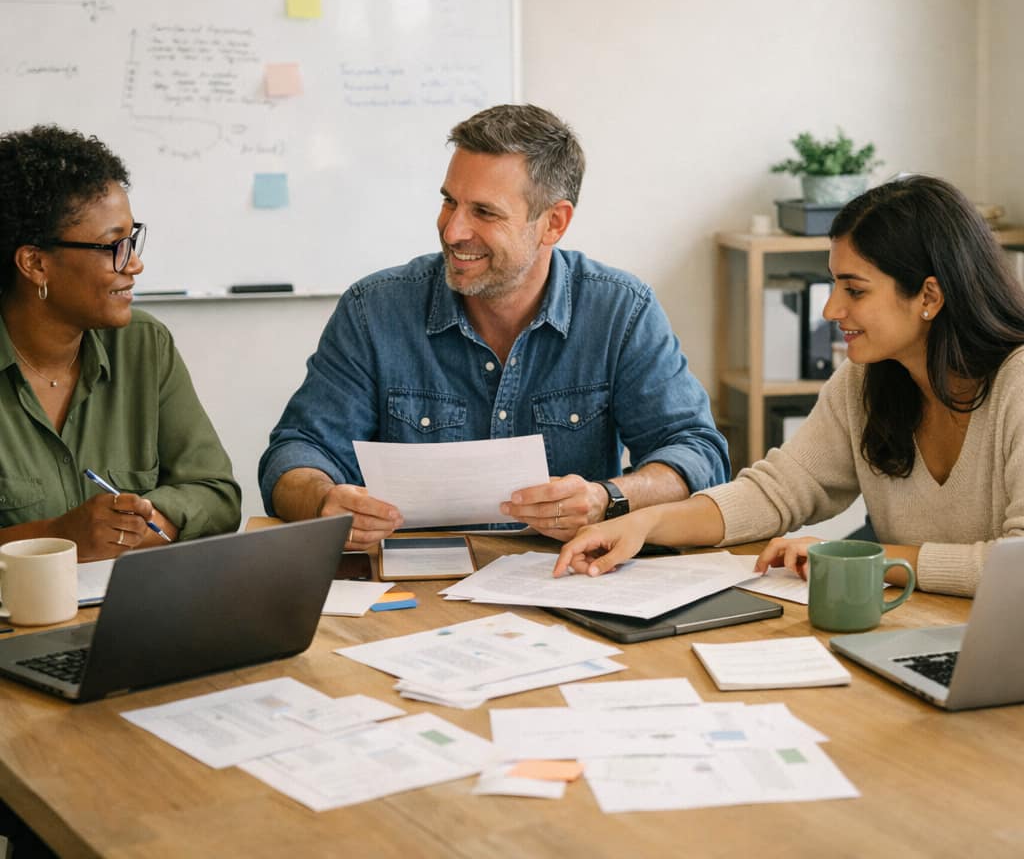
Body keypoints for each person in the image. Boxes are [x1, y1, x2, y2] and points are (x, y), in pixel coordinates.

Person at [260, 103, 728, 547]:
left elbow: (697, 453)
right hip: (411, 583)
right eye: (449, 201)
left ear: (554, 223)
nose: (452, 231)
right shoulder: (374, 310)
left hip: (567, 578)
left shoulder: (620, 311)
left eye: (484, 212)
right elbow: (295, 454)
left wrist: (608, 498)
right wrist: (323, 500)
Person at [555, 175, 1024, 598]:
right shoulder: (863, 382)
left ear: (929, 296)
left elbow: (1016, 566)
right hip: (915, 628)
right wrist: (645, 522)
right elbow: (776, 492)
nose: (830, 310)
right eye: (833, 285)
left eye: (855, 290)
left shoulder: (1016, 385)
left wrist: (857, 559)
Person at [0, 124, 241, 560]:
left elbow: (216, 494)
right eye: (113, 245)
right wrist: (57, 537)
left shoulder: (143, 345)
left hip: (131, 598)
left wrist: (134, 528)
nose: (134, 264)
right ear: (35, 263)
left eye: (132, 240)